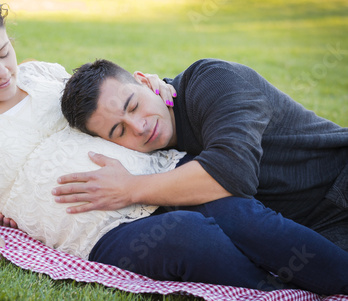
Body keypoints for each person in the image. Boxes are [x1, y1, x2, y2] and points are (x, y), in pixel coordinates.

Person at [0, 0, 345, 293]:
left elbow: (101, 99)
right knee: (190, 237)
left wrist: (154, 87)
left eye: (4, 52)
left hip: (165, 175)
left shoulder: (41, 73)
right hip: (102, 227)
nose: (2, 72)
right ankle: (273, 288)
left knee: (241, 214)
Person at [56, 58, 348, 294]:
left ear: (145, 81)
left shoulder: (212, 80)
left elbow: (232, 172)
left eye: (133, 105)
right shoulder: (156, 159)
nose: (140, 127)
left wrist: (131, 188)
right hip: (320, 233)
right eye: (119, 131)